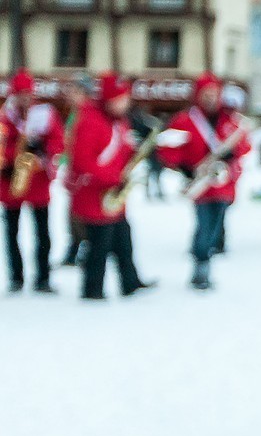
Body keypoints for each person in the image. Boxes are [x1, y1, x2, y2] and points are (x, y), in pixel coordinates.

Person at [157, 72, 252, 290]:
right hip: (200, 183)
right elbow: (167, 149)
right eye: (206, 93)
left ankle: (203, 257)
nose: (210, 97)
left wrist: (233, 154)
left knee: (215, 225)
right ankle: (201, 264)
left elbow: (245, 144)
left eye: (214, 93)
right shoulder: (185, 120)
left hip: (223, 184)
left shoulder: (230, 119)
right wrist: (184, 168)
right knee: (204, 223)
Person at [68, 74, 154, 300]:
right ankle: (92, 290)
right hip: (95, 194)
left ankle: (130, 282)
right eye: (120, 99)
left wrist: (136, 154)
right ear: (108, 100)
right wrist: (113, 178)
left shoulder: (119, 122)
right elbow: (82, 161)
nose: (125, 103)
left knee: (124, 239)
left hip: (113, 193)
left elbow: (122, 151)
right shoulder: (89, 121)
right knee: (99, 246)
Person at [1, 70, 65, 293]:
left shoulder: (44, 114)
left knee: (43, 233)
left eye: (28, 94)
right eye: (20, 94)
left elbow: (58, 141)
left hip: (37, 182)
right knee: (11, 234)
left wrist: (43, 152)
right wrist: (10, 160)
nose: (25, 99)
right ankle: (16, 277)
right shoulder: (4, 117)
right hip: (11, 185)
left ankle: (43, 278)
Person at [57, 74, 93, 268]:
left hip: (85, 172)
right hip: (74, 169)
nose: (69, 94)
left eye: (74, 90)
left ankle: (86, 249)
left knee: (82, 213)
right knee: (72, 213)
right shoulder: (75, 113)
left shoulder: (88, 114)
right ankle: (75, 248)